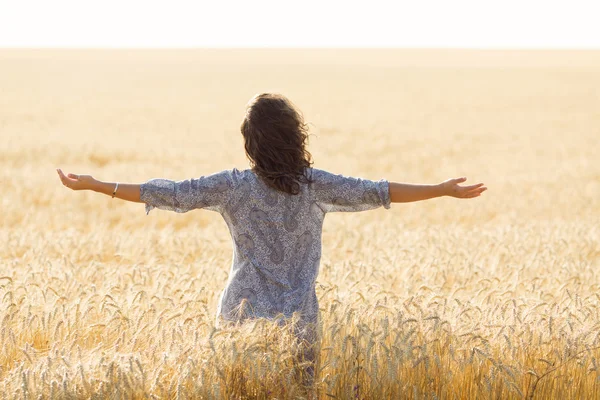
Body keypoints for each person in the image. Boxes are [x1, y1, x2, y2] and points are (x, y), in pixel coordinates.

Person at [56, 92, 487, 388]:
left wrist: (98, 185)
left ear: (251, 144)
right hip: (299, 321)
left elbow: (170, 193)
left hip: (239, 315)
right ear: (295, 136)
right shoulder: (315, 185)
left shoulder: (231, 186)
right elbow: (379, 190)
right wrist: (440, 189)